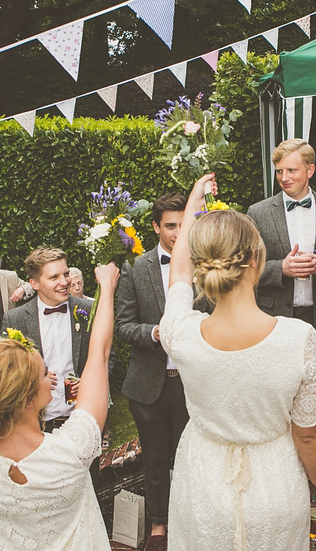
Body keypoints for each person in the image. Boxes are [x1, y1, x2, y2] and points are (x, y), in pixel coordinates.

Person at [159, 174, 316, 550]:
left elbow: (177, 272)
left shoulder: (179, 332)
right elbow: (307, 432)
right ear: (256, 261)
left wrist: (194, 202)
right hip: (274, 489)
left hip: (202, 485)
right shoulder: (300, 339)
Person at [0, 263, 120, 551]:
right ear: (27, 398)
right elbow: (98, 354)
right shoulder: (72, 449)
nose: (49, 377)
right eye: (42, 373)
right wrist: (108, 289)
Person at [115, 193, 206, 551]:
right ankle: (159, 524)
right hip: (149, 384)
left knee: (192, 457)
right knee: (154, 460)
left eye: (184, 225)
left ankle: (192, 520)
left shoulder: (206, 262)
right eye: (171, 225)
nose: (178, 232)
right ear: (155, 227)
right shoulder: (136, 268)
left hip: (193, 382)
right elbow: (124, 325)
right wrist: (154, 333)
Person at [247, 139, 316, 370]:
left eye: (291, 170)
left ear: (310, 170)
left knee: (315, 392)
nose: (284, 178)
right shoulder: (259, 212)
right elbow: (246, 267)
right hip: (273, 319)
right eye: (279, 171)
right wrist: (280, 269)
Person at [0, 247, 95, 432]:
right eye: (54, 277)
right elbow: (6, 371)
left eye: (66, 274)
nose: (65, 282)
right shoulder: (15, 320)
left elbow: (108, 356)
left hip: (83, 418)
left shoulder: (88, 310)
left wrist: (90, 381)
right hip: (37, 425)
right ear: (34, 283)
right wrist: (32, 379)